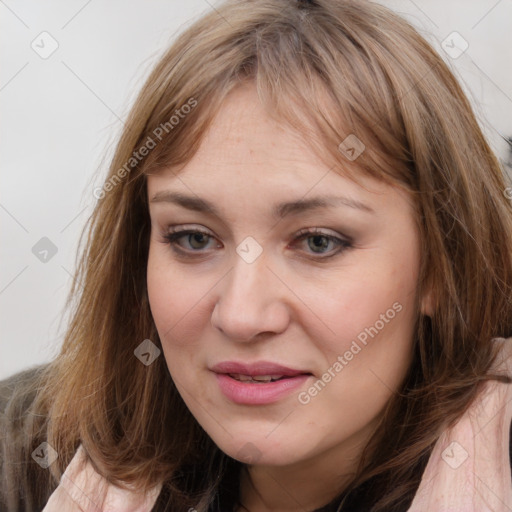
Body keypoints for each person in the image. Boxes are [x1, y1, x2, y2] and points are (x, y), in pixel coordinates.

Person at [1, 0, 511, 510]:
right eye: (194, 238)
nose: (242, 316)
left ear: (442, 268)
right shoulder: (27, 454)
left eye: (318, 242)